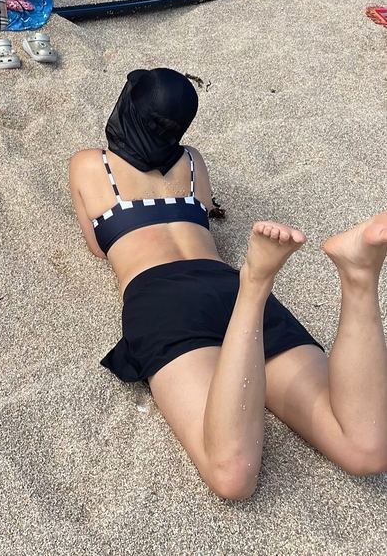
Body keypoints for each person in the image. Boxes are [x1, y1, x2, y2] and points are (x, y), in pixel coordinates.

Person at [69, 67, 387, 499]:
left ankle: (256, 282)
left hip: (160, 296)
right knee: (364, 449)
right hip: (224, 282)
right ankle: (357, 277)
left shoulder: (91, 164)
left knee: (233, 475)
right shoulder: (193, 163)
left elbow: (97, 246)